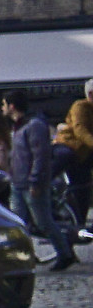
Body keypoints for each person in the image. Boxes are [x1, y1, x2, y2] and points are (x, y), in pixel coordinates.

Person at [4, 90, 74, 270]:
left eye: (3, 104)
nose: (2, 108)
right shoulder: (18, 126)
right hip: (18, 183)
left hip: (29, 183)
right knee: (18, 223)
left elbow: (40, 156)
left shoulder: (33, 125)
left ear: (11, 106)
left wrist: (35, 181)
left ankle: (65, 253)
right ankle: (22, 257)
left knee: (43, 221)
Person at [56, 78, 93, 219]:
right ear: (91, 94)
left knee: (84, 188)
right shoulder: (81, 106)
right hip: (73, 151)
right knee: (78, 188)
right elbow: (80, 130)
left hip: (86, 154)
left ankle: (80, 221)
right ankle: (76, 221)